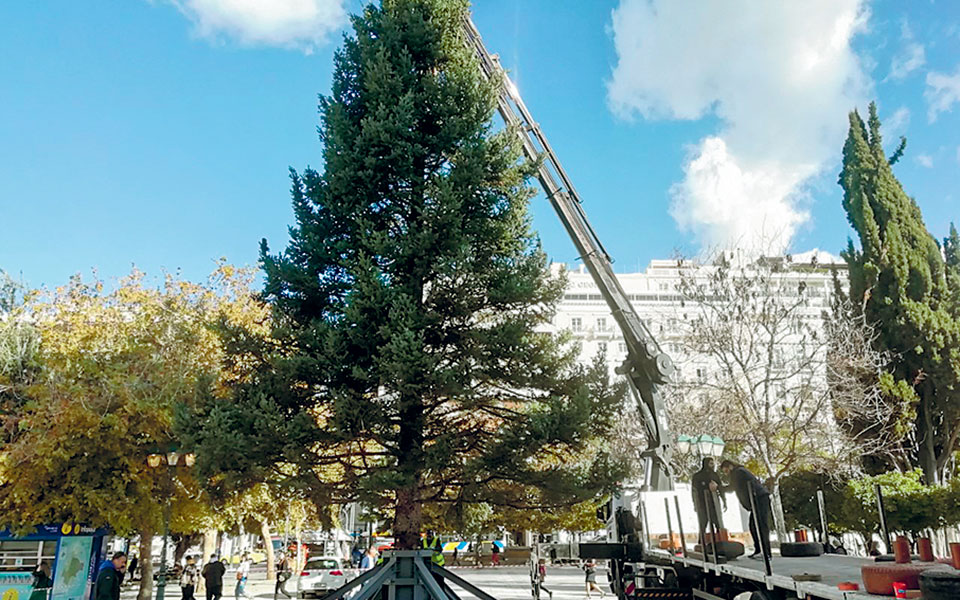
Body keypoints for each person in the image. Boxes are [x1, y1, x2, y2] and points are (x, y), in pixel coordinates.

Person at [720, 459, 771, 559]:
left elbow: (732, 488)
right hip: (758, 499)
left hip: (758, 499)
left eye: (726, 471)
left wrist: (719, 488)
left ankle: (765, 552)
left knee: (759, 526)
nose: (726, 474)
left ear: (730, 466)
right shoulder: (741, 471)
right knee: (754, 525)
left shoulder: (738, 472)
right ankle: (760, 550)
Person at [691, 456, 726, 540]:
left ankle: (720, 541)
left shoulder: (715, 475)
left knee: (718, 524)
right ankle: (702, 543)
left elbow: (720, 488)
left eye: (713, 463)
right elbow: (694, 491)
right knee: (703, 524)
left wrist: (724, 501)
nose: (713, 465)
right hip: (702, 503)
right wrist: (695, 504)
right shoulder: (697, 476)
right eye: (711, 463)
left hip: (714, 503)